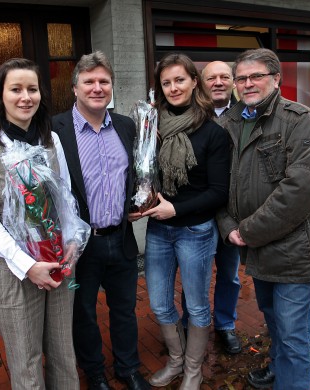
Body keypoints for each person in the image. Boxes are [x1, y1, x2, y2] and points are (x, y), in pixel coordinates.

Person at [216, 48, 310, 389]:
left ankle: (289, 377)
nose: (247, 83)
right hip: (256, 251)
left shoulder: (301, 121)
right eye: (241, 78)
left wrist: (246, 231)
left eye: (256, 76)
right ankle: (279, 370)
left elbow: (301, 190)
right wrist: (228, 228)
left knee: (294, 336)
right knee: (275, 322)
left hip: (296, 251)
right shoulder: (229, 124)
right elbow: (217, 184)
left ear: (276, 79)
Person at [0, 58, 79, 389]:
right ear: (0, 96)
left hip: (58, 262)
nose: (25, 97)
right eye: (15, 89)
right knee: (26, 363)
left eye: (32, 89)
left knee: (63, 353)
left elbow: (67, 198)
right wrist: (28, 265)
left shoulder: (52, 141)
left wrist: (71, 241)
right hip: (15, 273)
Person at [52, 51, 150, 390]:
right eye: (89, 81)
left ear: (111, 87)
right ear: (75, 88)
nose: (97, 87)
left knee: (125, 309)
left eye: (103, 81)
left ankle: (128, 368)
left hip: (120, 238)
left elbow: (138, 173)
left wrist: (141, 198)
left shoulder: (125, 125)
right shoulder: (55, 130)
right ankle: (94, 373)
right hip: (81, 245)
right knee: (84, 314)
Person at [132, 53, 230, 389]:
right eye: (166, 82)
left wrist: (176, 209)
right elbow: (142, 174)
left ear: (193, 82)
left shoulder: (212, 133)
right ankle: (176, 361)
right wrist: (138, 201)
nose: (173, 87)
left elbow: (219, 192)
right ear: (159, 88)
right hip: (159, 230)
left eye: (180, 80)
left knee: (198, 306)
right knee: (159, 304)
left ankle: (193, 369)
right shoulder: (151, 127)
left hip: (196, 232)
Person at [195, 60, 243, 355]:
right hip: (198, 209)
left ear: (233, 82)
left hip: (230, 211)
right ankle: (193, 323)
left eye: (225, 76)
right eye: (211, 77)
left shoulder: (245, 116)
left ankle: (225, 324)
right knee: (195, 274)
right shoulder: (191, 116)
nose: (218, 82)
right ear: (202, 82)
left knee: (229, 273)